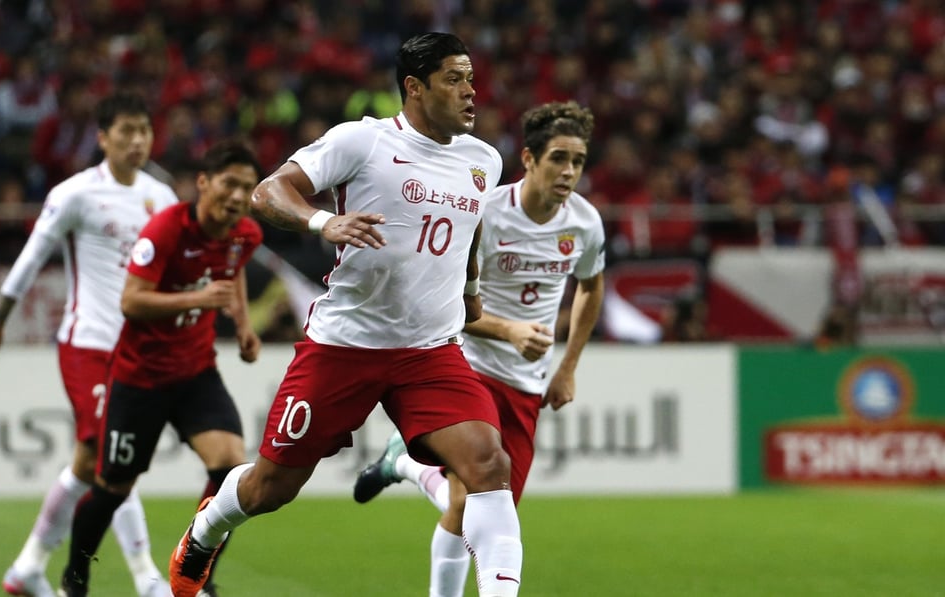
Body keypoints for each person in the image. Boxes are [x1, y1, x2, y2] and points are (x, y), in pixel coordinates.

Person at [167, 32, 525, 597]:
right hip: (345, 346)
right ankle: (205, 530)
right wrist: (321, 222)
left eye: (472, 79)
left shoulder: (483, 159)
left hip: (430, 351)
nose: (470, 92)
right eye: (454, 79)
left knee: (488, 464)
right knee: (271, 488)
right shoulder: (362, 141)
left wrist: (473, 289)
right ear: (414, 86)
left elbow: (472, 227)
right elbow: (268, 192)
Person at [353, 101, 606, 597]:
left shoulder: (584, 223)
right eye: (558, 158)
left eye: (578, 161)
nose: (569, 171)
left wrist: (568, 368)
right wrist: (508, 331)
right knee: (476, 506)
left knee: (469, 505)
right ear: (530, 160)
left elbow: (592, 287)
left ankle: (402, 465)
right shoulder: (485, 213)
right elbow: (446, 299)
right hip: (469, 367)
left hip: (526, 385)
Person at [0, 92, 179, 597]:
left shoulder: (163, 198)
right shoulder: (75, 194)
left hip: (138, 351)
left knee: (90, 464)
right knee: (114, 460)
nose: (136, 141)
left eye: (143, 131)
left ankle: (27, 567)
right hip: (86, 343)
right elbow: (32, 254)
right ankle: (147, 578)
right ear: (103, 137)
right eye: (125, 131)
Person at [57, 139, 264, 597]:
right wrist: (198, 298)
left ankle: (197, 573)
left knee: (232, 468)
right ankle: (74, 579)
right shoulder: (165, 230)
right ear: (204, 183)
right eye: (229, 183)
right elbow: (130, 301)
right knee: (111, 487)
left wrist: (244, 326)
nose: (236, 196)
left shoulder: (245, 234)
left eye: (247, 188)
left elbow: (236, 268)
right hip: (139, 378)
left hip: (195, 373)